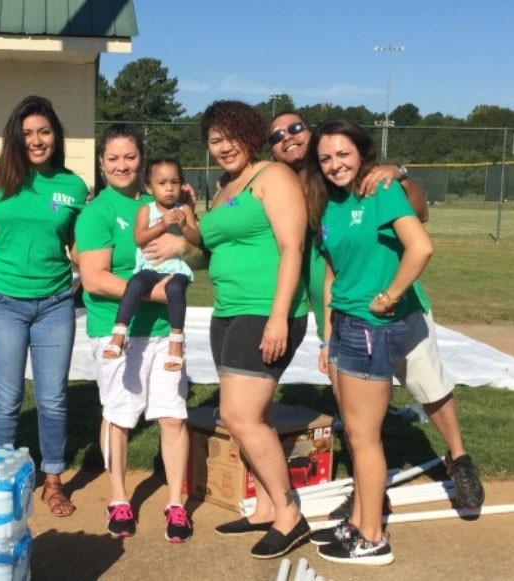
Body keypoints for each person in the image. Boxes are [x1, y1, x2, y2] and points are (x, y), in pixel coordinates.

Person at [268, 111, 484, 516]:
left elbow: (420, 214)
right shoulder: (304, 191)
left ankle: (458, 457)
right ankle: (370, 493)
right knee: (355, 416)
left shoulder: (371, 182)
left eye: (296, 128)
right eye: (277, 135)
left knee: (429, 388)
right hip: (342, 314)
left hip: (398, 309)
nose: (288, 137)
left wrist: (396, 173)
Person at [307, 119, 435, 565]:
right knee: (358, 433)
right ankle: (359, 520)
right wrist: (326, 335)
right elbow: (330, 273)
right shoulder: (331, 206)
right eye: (325, 158)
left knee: (364, 436)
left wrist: (391, 296)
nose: (335, 164)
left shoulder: (380, 191)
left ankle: (372, 536)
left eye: (343, 154)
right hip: (344, 324)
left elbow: (420, 246)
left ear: (362, 152)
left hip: (371, 327)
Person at [198, 101, 311, 559]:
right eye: (214, 141)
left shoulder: (273, 177)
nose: (224, 147)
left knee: (241, 416)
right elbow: (209, 249)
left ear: (249, 134)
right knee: (247, 417)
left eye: (231, 137)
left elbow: (291, 247)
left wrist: (279, 315)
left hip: (265, 311)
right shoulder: (224, 187)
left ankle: (289, 514)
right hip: (227, 310)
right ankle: (264, 506)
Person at [74, 125, 197, 543]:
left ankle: (176, 503)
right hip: (116, 331)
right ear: (102, 164)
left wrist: (185, 246)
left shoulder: (161, 202)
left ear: (140, 161)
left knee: (172, 415)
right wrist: (159, 293)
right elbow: (93, 279)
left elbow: (196, 252)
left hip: (164, 332)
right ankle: (119, 497)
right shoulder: (97, 212)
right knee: (120, 416)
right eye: (113, 159)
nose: (122, 165)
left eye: (129, 157)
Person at [0, 96, 88, 517]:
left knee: (53, 398)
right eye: (27, 133)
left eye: (44, 131)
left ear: (56, 135)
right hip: (2, 301)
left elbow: (80, 247)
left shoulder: (73, 186)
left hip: (55, 303)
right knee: (7, 399)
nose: (36, 140)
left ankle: (53, 480)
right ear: (15, 137)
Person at [104, 157, 200, 372]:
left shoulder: (184, 208)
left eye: (174, 182)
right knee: (136, 283)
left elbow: (196, 240)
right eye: (162, 183)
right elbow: (139, 238)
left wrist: (184, 226)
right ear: (149, 186)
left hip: (176, 268)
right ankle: (119, 332)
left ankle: (176, 341)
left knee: (175, 289)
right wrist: (162, 225)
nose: (169, 189)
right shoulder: (146, 210)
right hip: (151, 266)